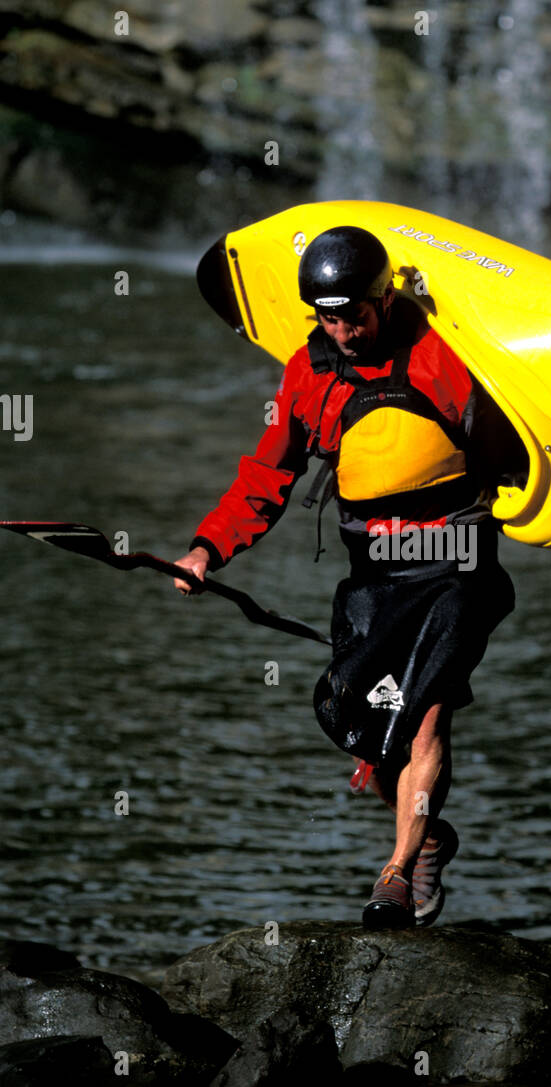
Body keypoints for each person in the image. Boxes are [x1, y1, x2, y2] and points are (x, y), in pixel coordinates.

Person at [173, 226, 525, 929]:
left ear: (383, 298)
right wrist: (208, 548)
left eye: (354, 317)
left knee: (425, 713)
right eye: (328, 319)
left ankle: (398, 872)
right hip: (374, 569)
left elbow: (518, 450)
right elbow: (269, 473)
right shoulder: (308, 373)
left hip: (458, 558)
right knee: (358, 717)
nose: (343, 331)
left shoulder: (441, 358)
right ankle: (425, 834)